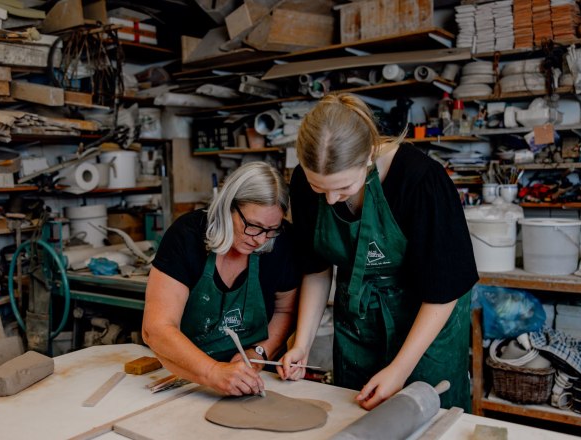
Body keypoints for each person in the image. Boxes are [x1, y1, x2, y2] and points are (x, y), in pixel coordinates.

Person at [277, 93, 478, 411]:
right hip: (360, 319)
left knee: (422, 415)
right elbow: (316, 268)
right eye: (320, 188)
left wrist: (400, 370)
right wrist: (302, 343)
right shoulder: (304, 182)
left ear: (369, 154)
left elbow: (443, 290)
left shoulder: (421, 180)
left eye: (343, 188)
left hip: (425, 320)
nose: (330, 200)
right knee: (352, 413)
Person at [142, 162, 299, 396]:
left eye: (271, 229)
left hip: (252, 377)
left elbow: (286, 311)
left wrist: (259, 352)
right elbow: (156, 328)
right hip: (187, 374)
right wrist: (213, 371)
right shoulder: (187, 236)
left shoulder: (281, 243)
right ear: (229, 206)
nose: (260, 240)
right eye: (253, 226)